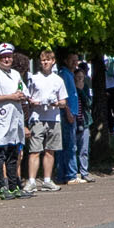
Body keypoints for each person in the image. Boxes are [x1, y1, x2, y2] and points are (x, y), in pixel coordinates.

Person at [0, 44, 29, 199]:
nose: (7, 59)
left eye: (9, 56)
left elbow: (24, 90)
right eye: (3, 57)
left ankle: (14, 186)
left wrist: (23, 96)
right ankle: (1, 187)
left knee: (13, 154)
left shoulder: (15, 74)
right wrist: (11, 97)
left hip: (14, 120)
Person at [24, 48, 67, 191]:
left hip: (53, 118)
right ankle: (31, 181)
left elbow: (63, 102)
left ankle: (47, 180)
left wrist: (56, 103)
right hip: (37, 117)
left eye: (48, 60)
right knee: (35, 150)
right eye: (43, 60)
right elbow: (27, 97)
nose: (45, 63)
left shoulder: (58, 80)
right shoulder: (34, 78)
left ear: (53, 61)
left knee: (50, 150)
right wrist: (32, 102)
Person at [57, 49, 80, 184]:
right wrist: (68, 112)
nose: (75, 63)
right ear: (66, 61)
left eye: (76, 60)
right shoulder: (64, 74)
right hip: (68, 113)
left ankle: (64, 174)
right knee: (69, 145)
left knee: (69, 144)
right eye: (72, 60)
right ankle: (70, 174)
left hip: (73, 112)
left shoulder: (71, 74)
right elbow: (63, 96)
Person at [73, 63, 93, 181]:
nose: (80, 80)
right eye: (77, 78)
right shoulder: (71, 89)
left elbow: (89, 103)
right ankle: (74, 173)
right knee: (74, 148)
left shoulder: (85, 88)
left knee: (84, 149)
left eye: (81, 78)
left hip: (84, 121)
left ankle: (84, 172)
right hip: (74, 121)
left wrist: (81, 91)